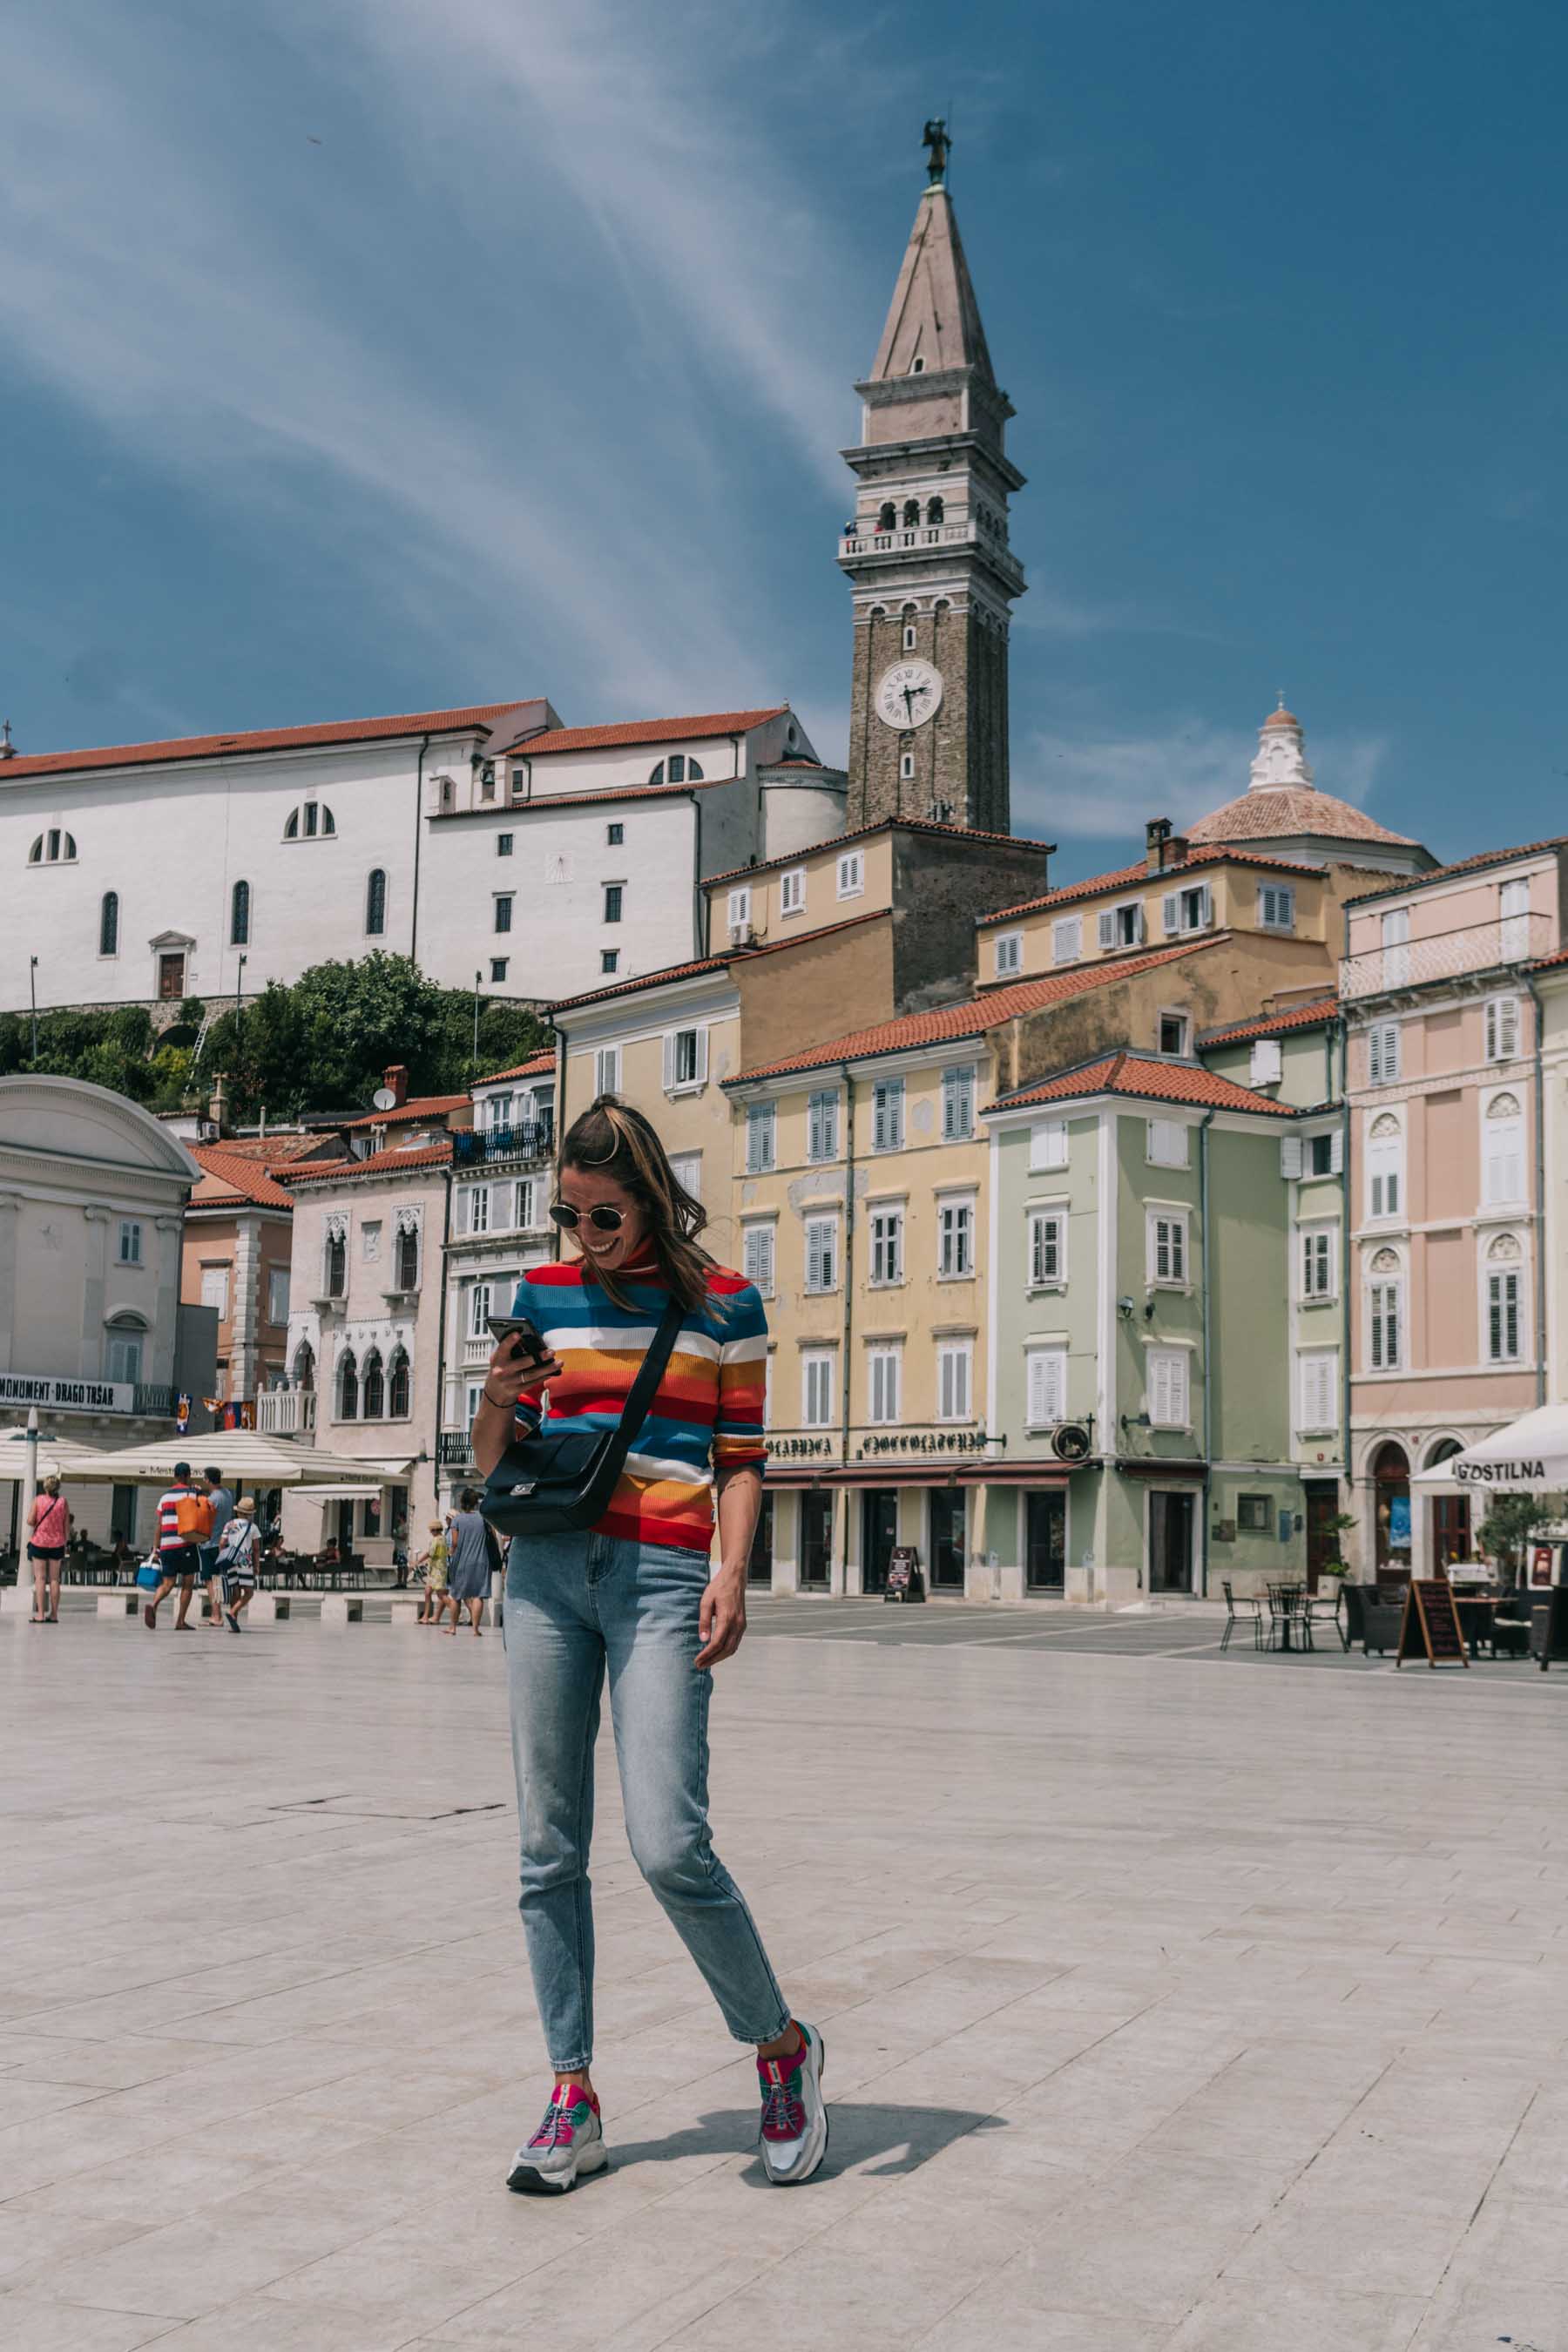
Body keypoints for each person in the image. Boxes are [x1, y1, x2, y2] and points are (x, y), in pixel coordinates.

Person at [473, 1095, 827, 2196]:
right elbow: (499, 1456)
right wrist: (493, 1401)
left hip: (665, 1577)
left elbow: (740, 1456)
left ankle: (780, 2047)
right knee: (547, 1848)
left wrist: (731, 1573)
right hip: (543, 1572)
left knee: (669, 1841)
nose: (584, 1236)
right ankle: (570, 2093)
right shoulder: (540, 1295)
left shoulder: (726, 1304)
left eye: (604, 1217)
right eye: (570, 1215)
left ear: (653, 1202)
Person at [144, 1462, 206, 1630]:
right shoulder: (193, 1493)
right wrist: (200, 1491)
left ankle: (154, 1603)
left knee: (167, 1583)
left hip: (166, 1546)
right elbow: (205, 1510)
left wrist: (156, 1548)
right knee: (187, 1583)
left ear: (175, 1476)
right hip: (185, 1544)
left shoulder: (164, 1497)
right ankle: (180, 1621)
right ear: (188, 1475)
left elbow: (159, 1524)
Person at [445, 1489, 492, 1636]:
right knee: (478, 1595)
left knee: (457, 1595)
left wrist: (451, 1553)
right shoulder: (483, 1518)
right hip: (481, 1562)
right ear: (475, 1503)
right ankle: (475, 1629)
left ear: (462, 1503)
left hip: (461, 1562)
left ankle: (452, 1627)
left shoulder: (457, 1520)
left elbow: (454, 1543)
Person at [25, 1474, 71, 1623]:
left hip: (39, 1543)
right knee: (54, 1579)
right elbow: (66, 1526)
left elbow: (30, 1521)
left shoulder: (38, 1500)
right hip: (57, 1544)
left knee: (40, 1578)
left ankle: (40, 1614)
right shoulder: (63, 1502)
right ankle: (54, 1614)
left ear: (45, 1487)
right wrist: (65, 1544)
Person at [214, 1498, 261, 1630]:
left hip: (230, 1559)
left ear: (239, 1512)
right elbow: (256, 1549)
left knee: (236, 1591)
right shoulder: (253, 1527)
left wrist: (224, 1557)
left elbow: (222, 1544)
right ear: (250, 1513)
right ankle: (233, 1612)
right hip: (244, 1560)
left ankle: (234, 1621)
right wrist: (257, 1566)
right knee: (249, 1592)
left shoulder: (229, 1524)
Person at [200, 1465, 235, 1631]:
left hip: (210, 1543)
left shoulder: (212, 1499)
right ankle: (218, 1614)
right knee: (218, 1580)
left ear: (208, 1480)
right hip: (223, 1542)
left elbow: (203, 1518)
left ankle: (216, 1616)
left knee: (210, 1581)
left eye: (204, 1478)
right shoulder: (228, 1494)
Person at [416, 1520, 449, 1625]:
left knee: (441, 1595)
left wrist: (418, 1561)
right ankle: (425, 1616)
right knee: (427, 1592)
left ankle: (454, 1607)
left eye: (431, 1530)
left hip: (437, 1571)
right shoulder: (444, 1538)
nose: (430, 1532)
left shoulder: (436, 1540)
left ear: (434, 1530)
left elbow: (430, 1553)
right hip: (436, 1570)